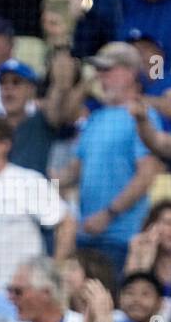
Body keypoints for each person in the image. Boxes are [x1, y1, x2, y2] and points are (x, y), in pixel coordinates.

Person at [70, 42, 165, 269]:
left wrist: (108, 214)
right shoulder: (95, 118)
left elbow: (146, 175)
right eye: (99, 70)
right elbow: (74, 171)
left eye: (107, 70)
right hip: (85, 234)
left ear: (131, 72)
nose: (101, 77)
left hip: (120, 237)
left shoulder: (143, 116)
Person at [0, 114, 75, 285]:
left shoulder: (28, 181)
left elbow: (67, 222)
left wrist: (54, 270)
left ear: (4, 145)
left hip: (24, 288)